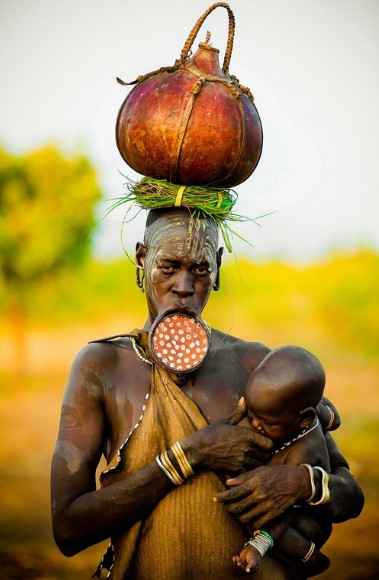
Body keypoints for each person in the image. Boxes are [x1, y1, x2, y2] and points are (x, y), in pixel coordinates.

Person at [50, 207, 364, 579]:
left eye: (200, 268)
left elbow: (349, 495)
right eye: (168, 265)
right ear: (141, 258)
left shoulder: (256, 365)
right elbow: (68, 529)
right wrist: (193, 454)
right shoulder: (102, 366)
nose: (184, 286)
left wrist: (295, 484)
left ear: (217, 268)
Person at [233, 345, 334, 576]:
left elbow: (282, 508)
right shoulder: (284, 415)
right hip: (281, 497)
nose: (256, 425)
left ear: (305, 418)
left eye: (267, 422)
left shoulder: (305, 452)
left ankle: (310, 557)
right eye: (251, 412)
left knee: (263, 515)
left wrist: (258, 546)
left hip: (300, 516)